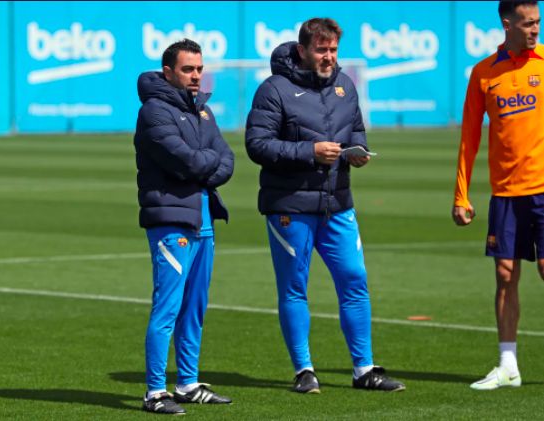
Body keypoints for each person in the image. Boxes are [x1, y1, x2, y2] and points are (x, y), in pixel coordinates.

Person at [245, 17, 405, 394]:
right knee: (295, 287)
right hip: (290, 206)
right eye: (321, 50)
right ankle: (304, 370)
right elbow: (257, 145)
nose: (329, 57)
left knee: (355, 280)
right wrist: (309, 152)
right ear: (302, 51)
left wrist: (358, 153)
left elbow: (357, 131)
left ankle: (363, 369)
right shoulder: (274, 90)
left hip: (338, 204)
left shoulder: (345, 86)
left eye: (333, 50)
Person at [133, 38, 234, 414]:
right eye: (188, 69)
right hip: (171, 221)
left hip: (203, 219)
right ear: (168, 72)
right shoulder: (154, 111)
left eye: (199, 69)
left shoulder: (202, 111)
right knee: (168, 307)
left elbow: (227, 159)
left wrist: (205, 162)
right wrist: (207, 162)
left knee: (195, 306)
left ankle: (188, 383)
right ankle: (155, 391)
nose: (196, 76)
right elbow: (188, 162)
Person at [453, 0, 543, 390]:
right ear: (507, 24)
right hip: (505, 192)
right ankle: (508, 365)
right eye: (528, 24)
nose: (535, 30)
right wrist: (461, 194)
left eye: (538, 22)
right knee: (505, 275)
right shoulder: (484, 73)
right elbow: (469, 137)